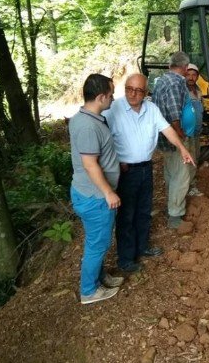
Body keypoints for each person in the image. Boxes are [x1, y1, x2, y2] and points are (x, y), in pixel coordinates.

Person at [103, 73, 194, 273]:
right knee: (126, 216)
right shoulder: (113, 109)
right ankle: (126, 259)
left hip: (145, 168)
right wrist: (115, 162)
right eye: (129, 88)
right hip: (125, 172)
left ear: (146, 93)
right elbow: (101, 136)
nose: (133, 94)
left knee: (143, 211)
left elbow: (167, 129)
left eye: (138, 90)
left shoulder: (151, 109)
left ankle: (142, 247)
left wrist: (182, 148)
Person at [69, 74, 122, 304]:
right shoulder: (88, 126)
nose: (113, 98)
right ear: (101, 97)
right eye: (111, 94)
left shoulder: (86, 118)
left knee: (98, 241)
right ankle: (89, 291)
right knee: (97, 244)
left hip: (91, 193)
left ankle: (99, 278)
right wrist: (108, 192)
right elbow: (90, 164)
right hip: (95, 196)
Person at [151, 51, 194, 229]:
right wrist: (180, 137)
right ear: (185, 67)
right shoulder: (176, 82)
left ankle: (171, 203)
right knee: (181, 175)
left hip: (164, 138)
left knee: (171, 172)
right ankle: (175, 215)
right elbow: (175, 114)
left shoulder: (161, 80)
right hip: (173, 138)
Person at [185, 63, 204, 197]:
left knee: (195, 157)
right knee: (189, 159)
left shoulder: (198, 91)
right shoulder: (182, 92)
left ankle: (192, 182)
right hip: (187, 132)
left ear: (197, 77)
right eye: (188, 74)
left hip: (196, 131)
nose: (191, 77)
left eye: (194, 75)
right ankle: (189, 187)